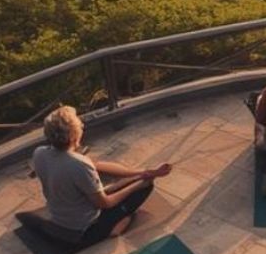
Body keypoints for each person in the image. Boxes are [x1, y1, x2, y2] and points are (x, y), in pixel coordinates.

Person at [32, 105, 171, 245]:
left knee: (122, 182)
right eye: (80, 126)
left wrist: (142, 173)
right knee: (146, 186)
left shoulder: (40, 153)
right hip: (84, 227)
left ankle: (141, 178)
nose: (82, 127)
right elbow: (105, 203)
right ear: (74, 135)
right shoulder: (79, 165)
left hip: (59, 214)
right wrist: (141, 183)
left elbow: (95, 166)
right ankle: (114, 227)